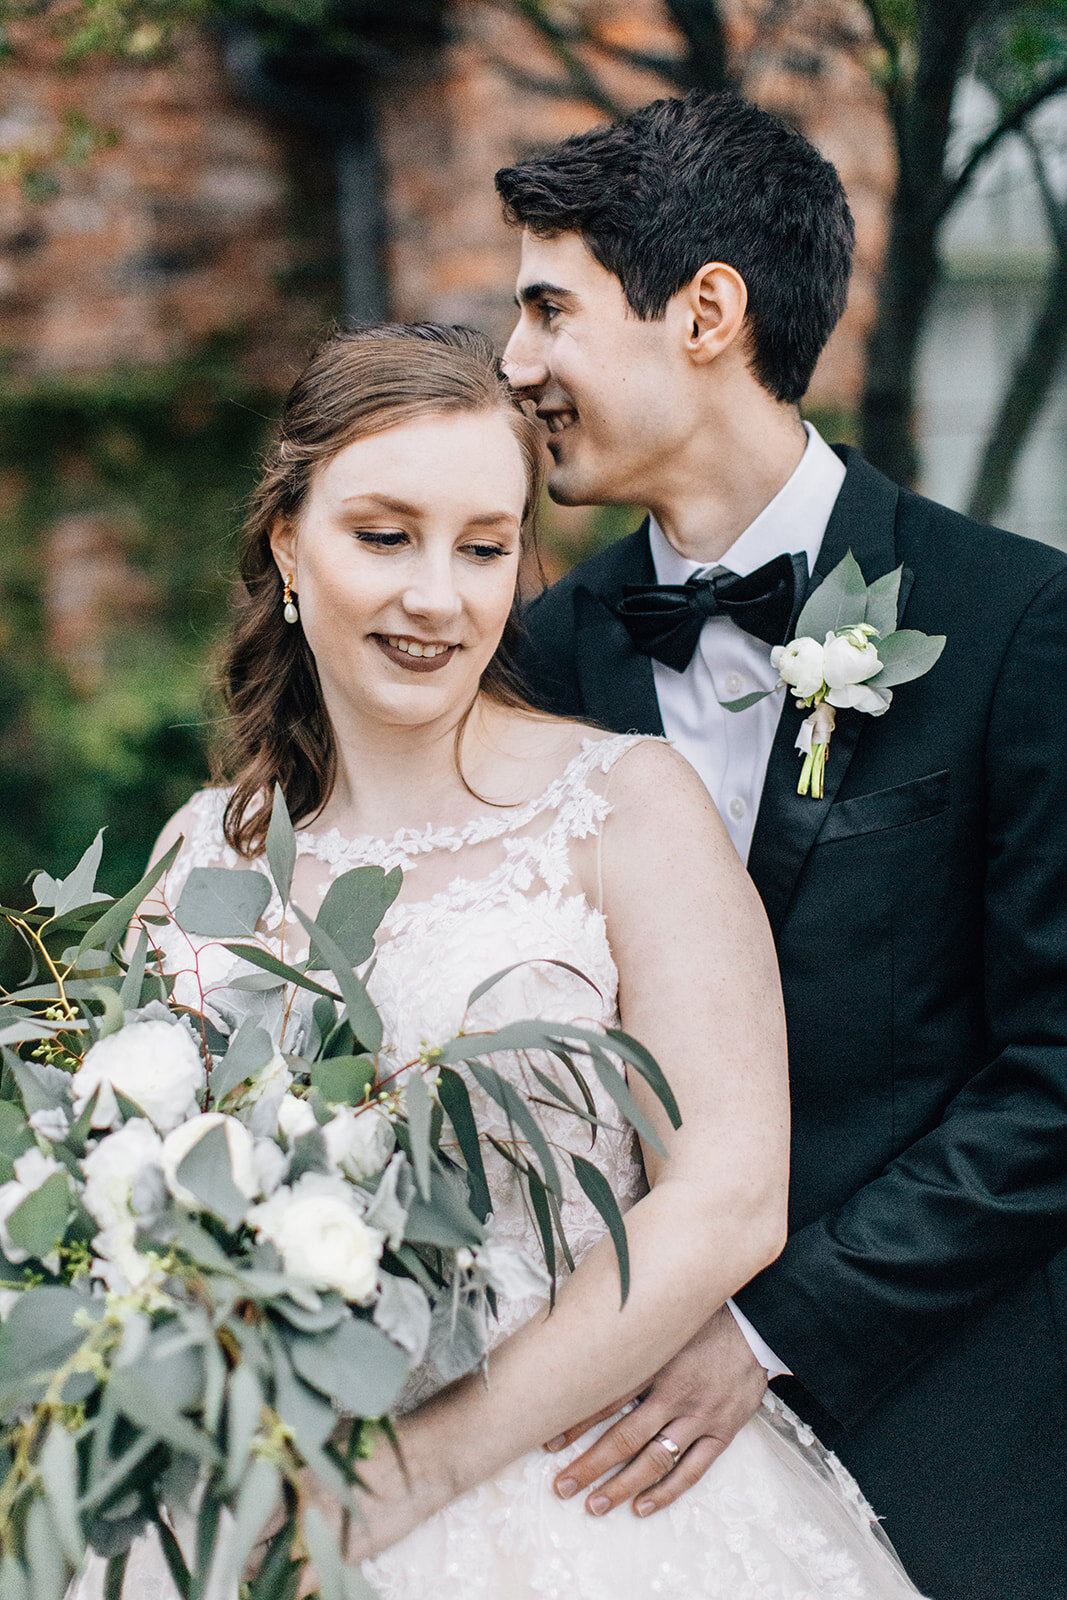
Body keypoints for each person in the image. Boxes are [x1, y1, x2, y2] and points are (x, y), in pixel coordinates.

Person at [77, 323, 929, 1599]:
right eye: (384, 535)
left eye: (482, 547)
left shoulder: (627, 808)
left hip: (572, 1493)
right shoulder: (206, 846)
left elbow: (728, 1194)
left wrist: (415, 1469)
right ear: (286, 546)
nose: (440, 594)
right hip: (246, 1492)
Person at [500, 90, 1067, 1600]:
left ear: (705, 312)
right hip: (611, 1473)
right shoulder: (539, 653)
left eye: (549, 309)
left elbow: (1054, 1073)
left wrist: (766, 1330)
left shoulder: (1018, 622)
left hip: (951, 1446)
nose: (516, 365)